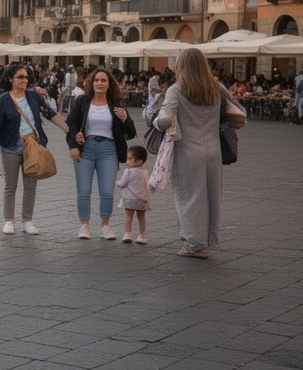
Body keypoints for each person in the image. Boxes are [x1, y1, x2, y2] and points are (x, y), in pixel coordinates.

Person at [155, 48, 246, 258]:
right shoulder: (217, 88)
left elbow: (165, 120)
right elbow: (240, 115)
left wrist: (155, 118)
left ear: (181, 67)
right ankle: (207, 240)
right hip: (213, 150)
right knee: (212, 197)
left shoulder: (176, 90)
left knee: (190, 196)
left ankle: (194, 244)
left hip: (187, 150)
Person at [0, 63, 68, 235]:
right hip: (10, 146)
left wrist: (67, 129)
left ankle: (27, 220)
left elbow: (50, 113)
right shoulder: (2, 100)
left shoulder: (33, 96)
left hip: (33, 145)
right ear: (11, 79)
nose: (25, 80)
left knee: (30, 185)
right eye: (20, 77)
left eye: (26, 77)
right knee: (10, 186)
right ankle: (9, 220)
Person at [65, 66, 136, 240]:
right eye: (96, 80)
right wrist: (74, 143)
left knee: (107, 191)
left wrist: (125, 118)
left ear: (109, 84)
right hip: (86, 149)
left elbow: (131, 132)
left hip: (109, 150)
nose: (99, 83)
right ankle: (85, 226)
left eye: (103, 80)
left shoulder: (116, 102)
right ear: (91, 82)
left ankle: (105, 225)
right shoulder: (82, 101)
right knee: (83, 190)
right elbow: (71, 125)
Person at [117, 145, 150, 244]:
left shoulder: (128, 171)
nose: (127, 161)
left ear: (138, 161)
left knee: (128, 216)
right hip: (142, 199)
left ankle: (128, 234)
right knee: (141, 217)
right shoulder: (144, 171)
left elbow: (122, 183)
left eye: (130, 159)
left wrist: (115, 183)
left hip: (130, 198)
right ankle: (142, 235)